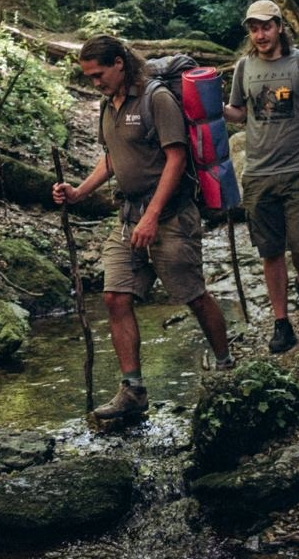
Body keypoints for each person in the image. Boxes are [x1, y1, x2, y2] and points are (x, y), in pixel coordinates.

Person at [53, 34, 232, 420]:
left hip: (170, 218)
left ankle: (225, 365)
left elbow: (177, 159)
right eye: (88, 77)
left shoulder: (156, 99)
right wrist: (79, 192)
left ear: (119, 63)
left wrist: (153, 215)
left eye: (98, 74)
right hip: (128, 218)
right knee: (115, 297)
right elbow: (113, 158)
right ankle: (132, 389)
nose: (94, 82)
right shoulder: (108, 104)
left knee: (193, 295)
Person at [223, 0, 299, 354]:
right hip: (258, 173)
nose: (260, 34)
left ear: (280, 26)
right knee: (270, 251)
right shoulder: (244, 66)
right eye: (254, 29)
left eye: (266, 27)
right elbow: (238, 113)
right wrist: (206, 102)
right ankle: (282, 323)